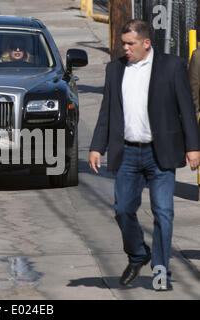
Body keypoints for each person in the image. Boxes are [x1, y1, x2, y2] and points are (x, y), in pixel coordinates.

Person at [88, 20, 200, 291]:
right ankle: (138, 254)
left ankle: (161, 271)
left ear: (146, 43)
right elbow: (108, 111)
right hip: (127, 153)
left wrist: (193, 146)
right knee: (123, 209)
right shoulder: (115, 69)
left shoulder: (172, 66)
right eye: (123, 43)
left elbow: (186, 107)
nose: (125, 48)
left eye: (130, 44)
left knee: (164, 212)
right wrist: (96, 146)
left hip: (159, 153)